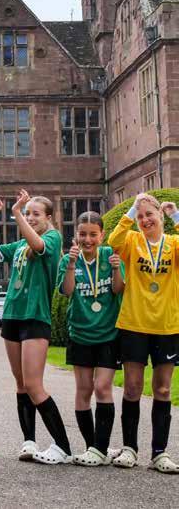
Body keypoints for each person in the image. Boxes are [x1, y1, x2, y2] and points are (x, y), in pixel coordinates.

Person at [0, 191, 72, 465]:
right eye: (27, 213)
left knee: (34, 384)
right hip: (13, 315)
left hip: (35, 316)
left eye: (36, 214)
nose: (31, 217)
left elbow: (38, 245)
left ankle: (63, 447)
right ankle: (29, 441)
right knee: (21, 384)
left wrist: (17, 214)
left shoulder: (53, 238)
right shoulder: (21, 244)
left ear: (49, 217)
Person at [107, 194, 179, 473]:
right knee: (133, 387)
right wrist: (131, 209)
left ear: (160, 216)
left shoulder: (173, 244)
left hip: (167, 325)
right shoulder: (133, 241)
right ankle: (130, 449)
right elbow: (113, 239)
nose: (145, 220)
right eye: (141, 216)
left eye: (150, 214)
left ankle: (159, 453)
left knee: (162, 389)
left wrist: (176, 216)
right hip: (134, 323)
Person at [57, 211, 124, 467]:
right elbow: (67, 291)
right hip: (80, 333)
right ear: (76, 235)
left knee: (103, 388)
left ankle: (100, 448)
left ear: (101, 235)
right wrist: (71, 265)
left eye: (93, 234)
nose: (87, 239)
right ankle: (92, 447)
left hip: (108, 334)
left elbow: (118, 289)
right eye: (82, 234)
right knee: (84, 390)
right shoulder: (69, 259)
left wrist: (116, 268)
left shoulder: (109, 255)